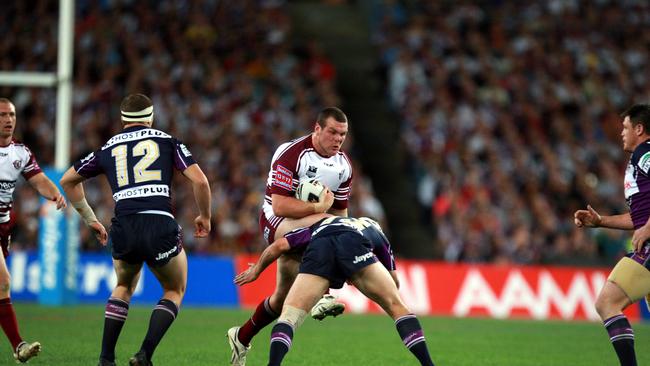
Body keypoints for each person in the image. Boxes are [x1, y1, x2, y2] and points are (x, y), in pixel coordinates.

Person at [60, 94, 211, 366]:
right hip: (158, 222)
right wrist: (204, 216)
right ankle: (144, 354)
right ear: (151, 118)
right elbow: (200, 181)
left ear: (122, 120)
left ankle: (106, 358)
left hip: (124, 225)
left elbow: (67, 180)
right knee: (174, 289)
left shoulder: (107, 147)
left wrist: (90, 218)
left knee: (123, 286)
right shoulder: (167, 141)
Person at [228, 107, 353, 366]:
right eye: (332, 132)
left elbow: (341, 212)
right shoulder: (292, 153)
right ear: (317, 128)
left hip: (309, 226)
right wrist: (319, 210)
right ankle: (324, 294)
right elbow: (280, 206)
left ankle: (241, 336)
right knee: (331, 226)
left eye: (342, 134)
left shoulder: (343, 166)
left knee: (282, 298)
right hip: (276, 221)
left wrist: (343, 247)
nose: (338, 139)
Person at [235, 216, 435, 366]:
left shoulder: (318, 225)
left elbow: (278, 245)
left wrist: (256, 270)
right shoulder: (375, 231)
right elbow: (394, 281)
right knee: (396, 305)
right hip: (353, 243)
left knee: (289, 316)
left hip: (320, 245)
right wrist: (356, 273)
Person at [574, 104, 650, 366]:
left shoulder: (646, 153)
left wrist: (649, 227)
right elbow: (637, 218)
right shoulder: (637, 161)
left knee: (607, 303)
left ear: (639, 129)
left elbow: (644, 223)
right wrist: (600, 221)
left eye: (626, 127)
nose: (622, 133)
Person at [0, 98, 66, 363]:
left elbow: (38, 180)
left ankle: (17, 348)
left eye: (11, 114)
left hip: (3, 226)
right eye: (2, 114)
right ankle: (19, 345)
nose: (8, 119)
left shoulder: (21, 153)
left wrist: (55, 194)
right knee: (3, 282)